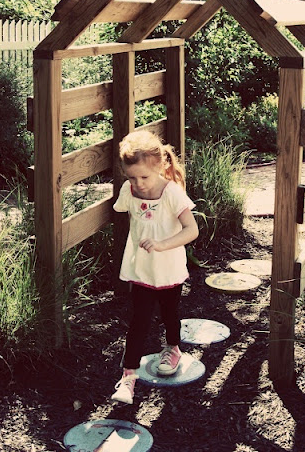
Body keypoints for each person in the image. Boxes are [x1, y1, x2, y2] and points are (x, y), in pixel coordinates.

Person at [111, 129, 199, 404]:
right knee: (138, 321)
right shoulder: (130, 190)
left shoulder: (172, 193)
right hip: (141, 270)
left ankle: (173, 349)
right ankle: (128, 378)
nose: (139, 183)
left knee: (169, 314)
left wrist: (162, 244)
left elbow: (191, 230)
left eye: (145, 177)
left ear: (160, 166)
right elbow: (128, 214)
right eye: (132, 177)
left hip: (169, 269)